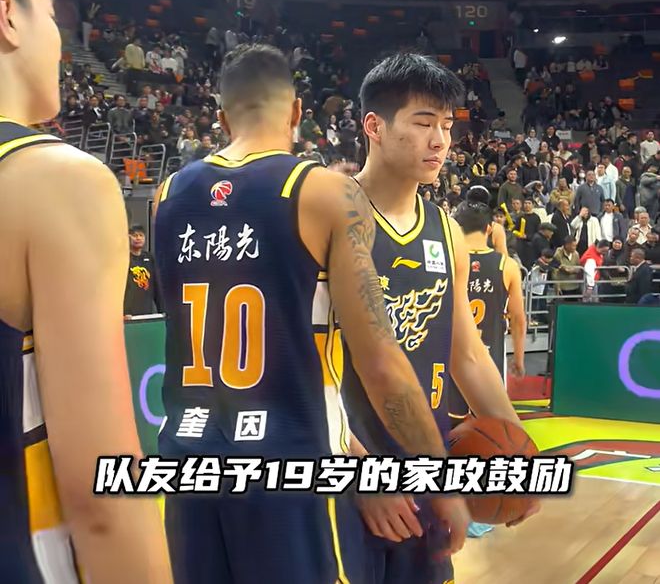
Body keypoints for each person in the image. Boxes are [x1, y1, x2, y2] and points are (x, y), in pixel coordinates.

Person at [153, 45, 476, 584]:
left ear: (221, 117)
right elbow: (381, 364)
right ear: (298, 111)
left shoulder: (166, 195)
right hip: (292, 469)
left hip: (189, 465)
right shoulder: (325, 191)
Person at [0, 0, 172, 582]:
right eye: (51, 15)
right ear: (8, 16)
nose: (59, 39)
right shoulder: (55, 181)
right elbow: (103, 496)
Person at [339, 53, 537, 584]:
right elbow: (300, 369)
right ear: (374, 126)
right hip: (348, 466)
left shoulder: (445, 230)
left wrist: (522, 457)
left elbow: (466, 354)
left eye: (447, 126)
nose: (440, 141)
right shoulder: (330, 216)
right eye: (424, 123)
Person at [448, 200, 527, 421]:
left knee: (448, 428)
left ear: (457, 227)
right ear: (490, 229)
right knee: (490, 428)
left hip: (450, 357)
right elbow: (518, 319)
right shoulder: (507, 265)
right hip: (488, 357)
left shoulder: (445, 260)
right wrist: (519, 359)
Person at [124, 224, 163, 316]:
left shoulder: (150, 258)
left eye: (141, 235)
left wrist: (162, 310)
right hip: (128, 314)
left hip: (146, 312)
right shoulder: (123, 259)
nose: (138, 238)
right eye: (135, 235)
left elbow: (157, 287)